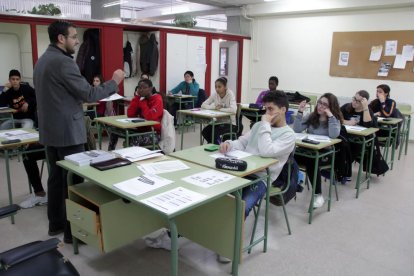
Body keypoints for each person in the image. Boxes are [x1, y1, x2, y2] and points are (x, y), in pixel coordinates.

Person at [33, 20, 124, 243]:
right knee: (72, 182)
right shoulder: (64, 63)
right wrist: (114, 81)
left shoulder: (42, 60)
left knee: (56, 179)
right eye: (74, 37)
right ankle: (71, 234)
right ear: (61, 39)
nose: (77, 41)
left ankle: (55, 225)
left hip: (50, 132)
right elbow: (89, 94)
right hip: (67, 133)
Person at [220, 90, 295, 218]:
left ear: (283, 110)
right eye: (266, 109)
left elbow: (267, 151)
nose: (267, 113)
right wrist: (229, 144)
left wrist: (265, 124)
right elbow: (242, 143)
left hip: (261, 178)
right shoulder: (259, 125)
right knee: (217, 197)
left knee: (241, 208)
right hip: (242, 170)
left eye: (271, 109)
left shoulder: (288, 135)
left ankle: (227, 236)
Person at [293, 93, 342, 208]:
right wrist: (300, 112)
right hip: (308, 150)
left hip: (325, 154)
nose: (320, 106)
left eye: (325, 104)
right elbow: (297, 129)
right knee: (288, 155)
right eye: (320, 103)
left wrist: (330, 115)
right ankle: (295, 181)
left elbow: (334, 135)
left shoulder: (334, 120)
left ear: (331, 107)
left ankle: (318, 195)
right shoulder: (311, 117)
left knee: (312, 161)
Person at [108, 79, 163, 151]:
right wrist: (137, 97)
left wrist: (142, 103)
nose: (141, 90)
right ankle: (110, 153)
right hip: (140, 130)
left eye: (144, 88)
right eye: (139, 88)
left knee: (134, 139)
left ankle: (130, 159)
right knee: (114, 131)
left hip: (153, 133)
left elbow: (150, 116)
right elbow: (130, 114)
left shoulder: (157, 99)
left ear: (151, 88)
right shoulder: (140, 99)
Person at [201, 77, 237, 144]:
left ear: (225, 87)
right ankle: (214, 145)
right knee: (205, 131)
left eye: (219, 87)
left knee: (214, 133)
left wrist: (220, 109)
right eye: (216, 87)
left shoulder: (230, 94)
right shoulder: (215, 94)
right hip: (218, 122)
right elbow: (203, 105)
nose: (217, 89)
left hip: (229, 123)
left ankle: (217, 146)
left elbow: (233, 110)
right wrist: (214, 107)